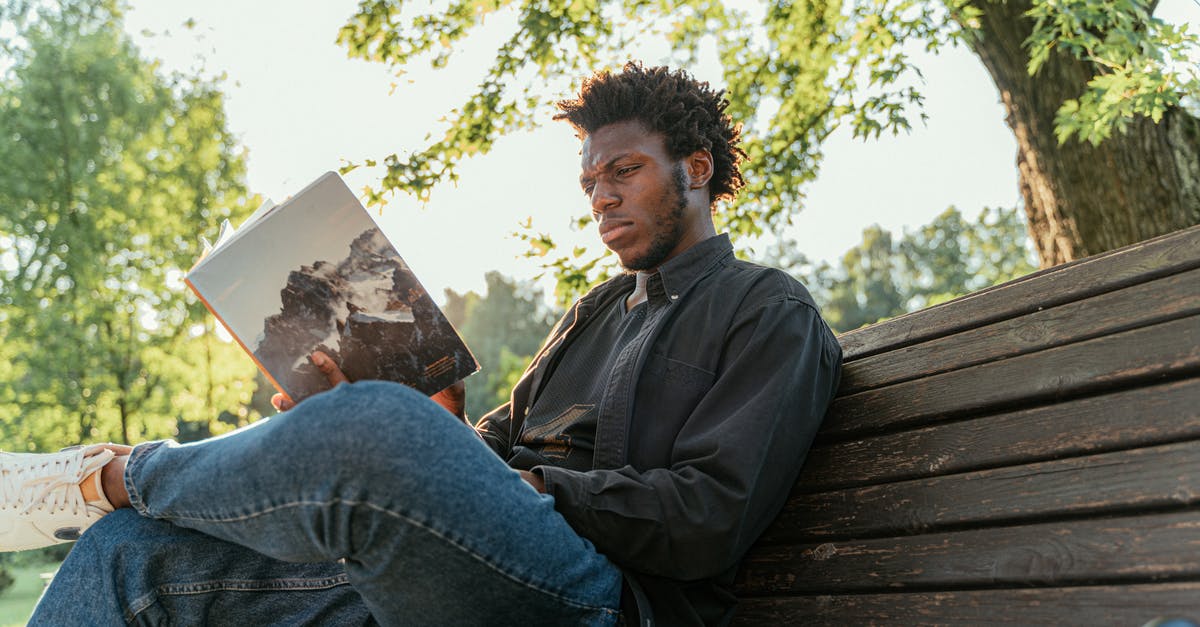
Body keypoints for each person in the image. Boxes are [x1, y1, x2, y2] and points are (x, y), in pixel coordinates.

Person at [2, 61, 842, 626]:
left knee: (372, 424)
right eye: (590, 181)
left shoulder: (769, 311)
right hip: (458, 569)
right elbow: (491, 450)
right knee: (127, 555)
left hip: (605, 599)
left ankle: (115, 475)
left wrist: (529, 485)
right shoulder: (595, 312)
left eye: (623, 172)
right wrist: (447, 430)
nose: (600, 198)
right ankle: (121, 500)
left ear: (695, 168)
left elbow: (709, 518)